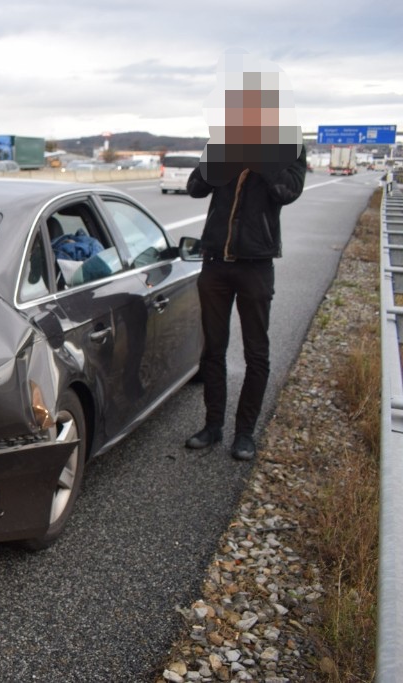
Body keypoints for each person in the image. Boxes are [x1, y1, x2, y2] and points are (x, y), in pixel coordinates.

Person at [184, 51, 307, 461]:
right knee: (212, 350)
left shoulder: (288, 143)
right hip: (215, 264)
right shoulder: (223, 141)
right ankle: (213, 426)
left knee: (257, 352)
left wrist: (262, 158)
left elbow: (287, 192)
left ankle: (245, 433)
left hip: (256, 265)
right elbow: (195, 189)